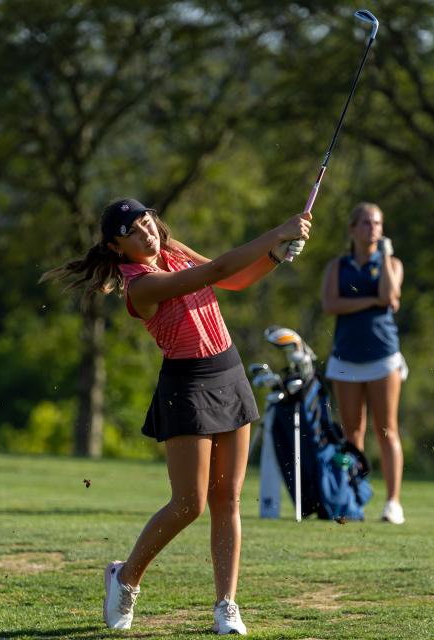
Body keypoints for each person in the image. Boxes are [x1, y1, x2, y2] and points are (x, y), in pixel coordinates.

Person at [42, 198, 311, 635]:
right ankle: (126, 577)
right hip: (186, 386)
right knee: (189, 504)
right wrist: (277, 232)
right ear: (116, 247)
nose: (146, 231)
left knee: (228, 498)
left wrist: (274, 257)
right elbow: (215, 271)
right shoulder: (141, 286)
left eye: (146, 220)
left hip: (229, 370)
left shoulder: (172, 248)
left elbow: (236, 279)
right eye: (132, 230)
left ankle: (226, 604)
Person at [320, 202, 408, 525]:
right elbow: (331, 304)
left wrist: (383, 257)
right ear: (353, 229)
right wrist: (370, 301)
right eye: (367, 223)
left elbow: (389, 295)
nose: (373, 229)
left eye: (378, 224)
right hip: (346, 356)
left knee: (386, 429)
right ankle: (351, 496)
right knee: (351, 432)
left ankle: (393, 502)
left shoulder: (392, 263)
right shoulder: (337, 266)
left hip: (383, 356)